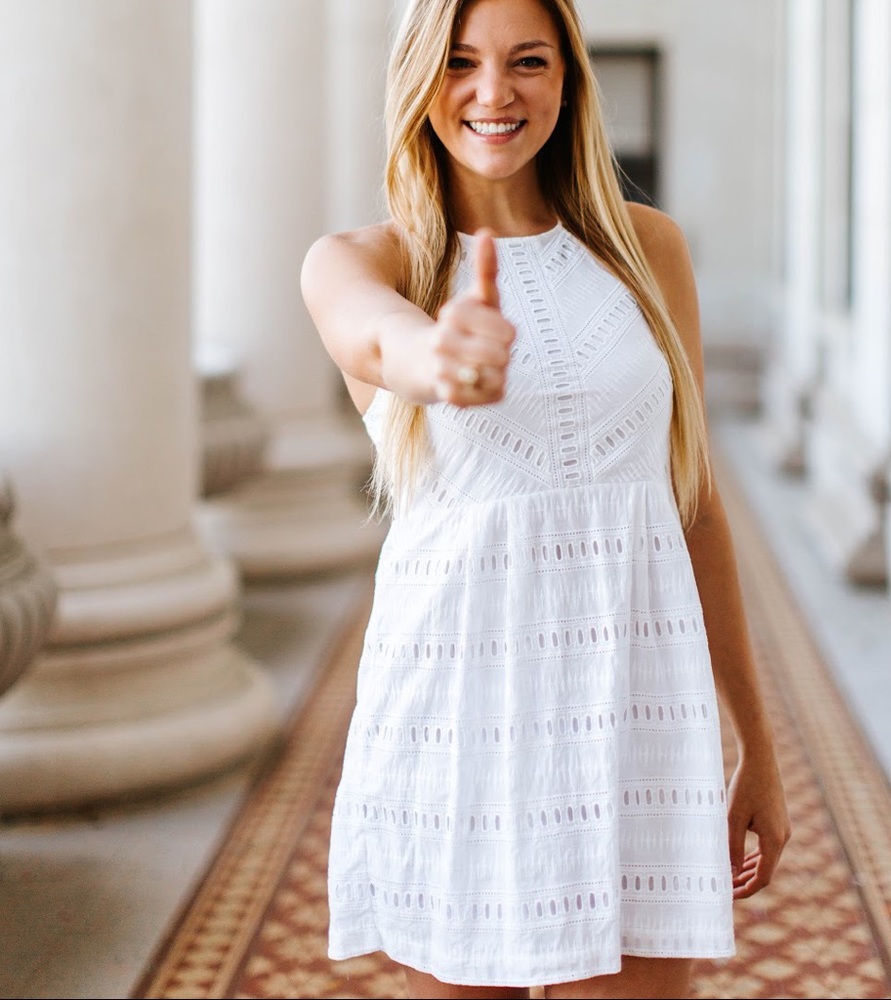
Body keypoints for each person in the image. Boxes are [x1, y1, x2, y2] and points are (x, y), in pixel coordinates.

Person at [301, 0, 790, 996]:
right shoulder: (366, 261)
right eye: (460, 61)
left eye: (527, 60)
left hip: (633, 718)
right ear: (418, 79)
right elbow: (374, 335)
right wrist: (442, 356)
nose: (494, 91)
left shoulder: (648, 250)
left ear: (567, 79)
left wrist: (757, 741)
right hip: (456, 724)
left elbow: (692, 501)